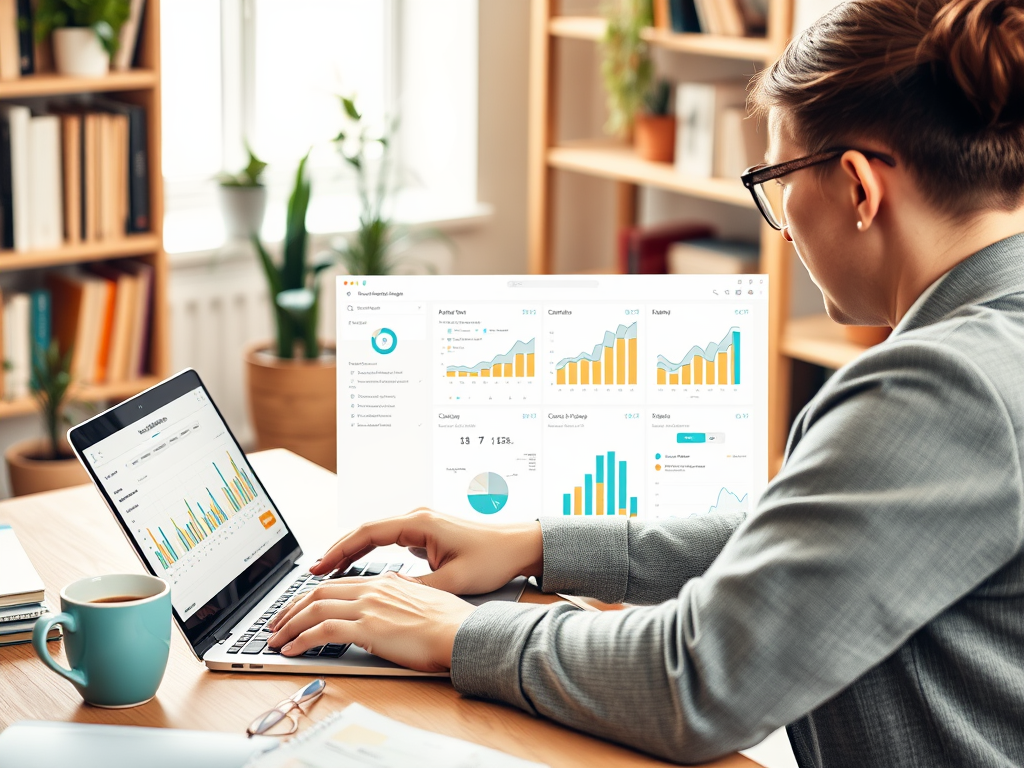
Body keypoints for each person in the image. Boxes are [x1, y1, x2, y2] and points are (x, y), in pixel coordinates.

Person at [268, 0, 1024, 764]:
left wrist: (458, 633)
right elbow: (821, 544)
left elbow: (700, 682)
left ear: (859, 188)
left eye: (776, 178)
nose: (785, 224)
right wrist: (537, 544)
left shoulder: (945, 388)